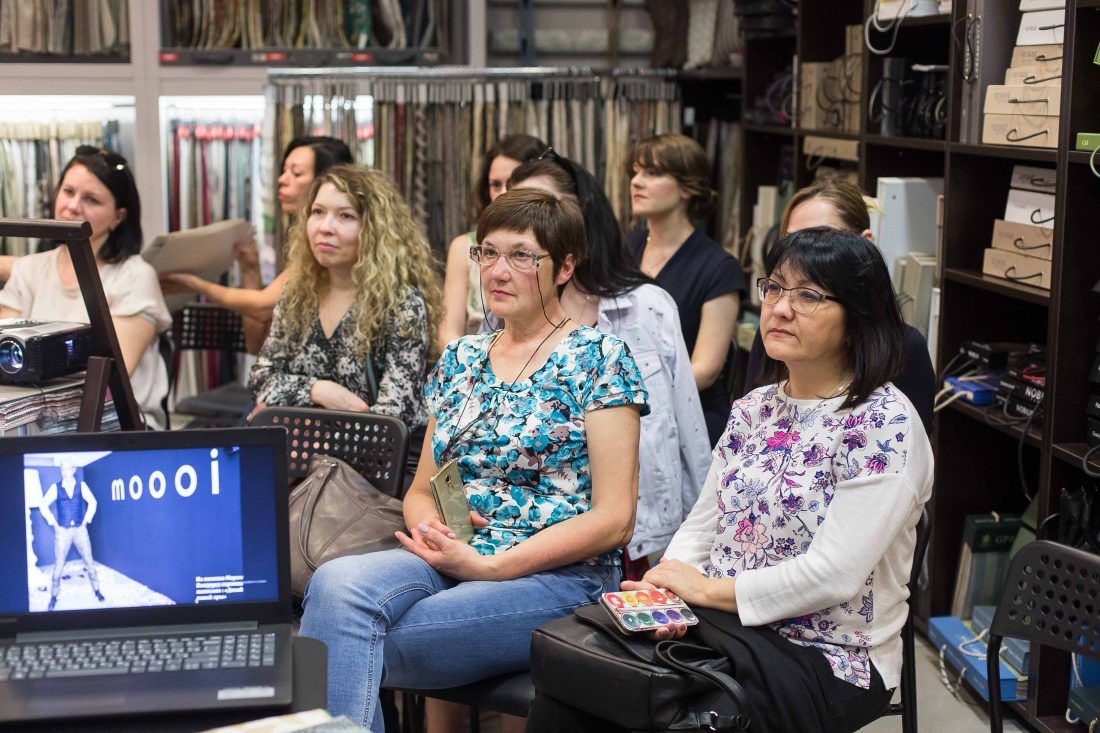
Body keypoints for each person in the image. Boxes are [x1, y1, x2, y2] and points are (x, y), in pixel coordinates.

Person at [525, 226, 935, 733]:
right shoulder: (755, 408)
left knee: (665, 714)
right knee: (575, 681)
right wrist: (669, 587)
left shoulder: (883, 423)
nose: (780, 309)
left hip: (828, 653)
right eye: (775, 288)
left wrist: (703, 590)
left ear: (857, 318)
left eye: (808, 296)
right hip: (718, 622)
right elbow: (703, 524)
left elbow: (832, 575)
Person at [299, 188, 648, 732]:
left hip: (559, 575)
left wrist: (491, 567)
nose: (498, 271)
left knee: (335, 643)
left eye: (522, 256)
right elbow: (423, 488)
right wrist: (437, 532)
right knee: (333, 584)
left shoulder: (600, 358)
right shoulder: (462, 356)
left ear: (565, 267)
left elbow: (615, 519)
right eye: (488, 253)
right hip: (456, 552)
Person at [510, 151, 711, 564]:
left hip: (638, 535)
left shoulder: (647, 308)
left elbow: (688, 429)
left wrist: (699, 547)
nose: (525, 225)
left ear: (579, 215)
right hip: (528, 533)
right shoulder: (509, 312)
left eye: (541, 208)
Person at [248, 165, 440, 431]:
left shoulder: (402, 305)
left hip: (368, 457)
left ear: (373, 229)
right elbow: (261, 379)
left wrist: (292, 413)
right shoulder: (298, 294)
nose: (325, 227)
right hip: (301, 451)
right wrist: (319, 390)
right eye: (318, 212)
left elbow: (393, 418)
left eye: (346, 216)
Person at [742, 178, 936, 434]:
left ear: (864, 245)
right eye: (793, 239)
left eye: (822, 238)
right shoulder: (778, 332)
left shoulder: (899, 366)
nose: (804, 252)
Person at [0, 146, 172, 429]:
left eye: (91, 199)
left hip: (119, 428)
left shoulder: (135, 277)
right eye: (68, 191)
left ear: (118, 217)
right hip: (32, 424)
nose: (73, 206)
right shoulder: (29, 268)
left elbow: (111, 378)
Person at [162, 136, 354, 354]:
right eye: (284, 171)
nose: (282, 179)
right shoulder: (301, 249)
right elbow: (258, 344)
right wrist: (251, 271)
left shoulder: (326, 252)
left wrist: (195, 285)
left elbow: (262, 306)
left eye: (296, 173)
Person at [626, 133, 747, 447]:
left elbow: (705, 370)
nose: (636, 182)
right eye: (636, 172)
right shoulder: (626, 249)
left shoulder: (719, 267)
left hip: (689, 417)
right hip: (627, 407)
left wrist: (633, 397)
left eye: (653, 173)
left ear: (687, 188)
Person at [439, 134, 546, 346]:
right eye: (495, 185)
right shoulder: (464, 247)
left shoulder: (547, 246)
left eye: (513, 183)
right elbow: (448, 331)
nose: (503, 193)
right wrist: (470, 361)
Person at [39, 462, 102, 611]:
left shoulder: (82, 486)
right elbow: (43, 504)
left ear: (73, 470)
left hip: (80, 530)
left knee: (89, 561)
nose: (64, 472)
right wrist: (53, 522)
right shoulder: (55, 487)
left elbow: (93, 502)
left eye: (67, 469)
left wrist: (87, 519)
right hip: (63, 532)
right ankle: (54, 596)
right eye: (62, 469)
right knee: (59, 564)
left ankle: (97, 590)